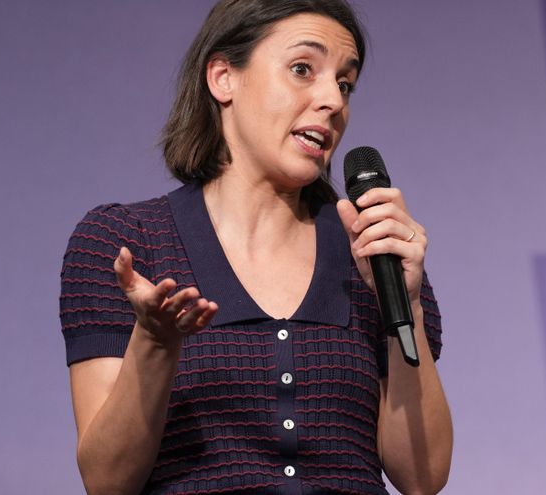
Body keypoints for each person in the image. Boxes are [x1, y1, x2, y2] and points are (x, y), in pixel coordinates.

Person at [59, 1, 452, 493]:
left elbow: (423, 477)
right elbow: (106, 481)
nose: (333, 99)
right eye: (303, 69)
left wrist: (407, 305)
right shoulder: (128, 242)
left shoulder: (374, 250)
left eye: (345, 84)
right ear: (224, 77)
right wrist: (156, 345)